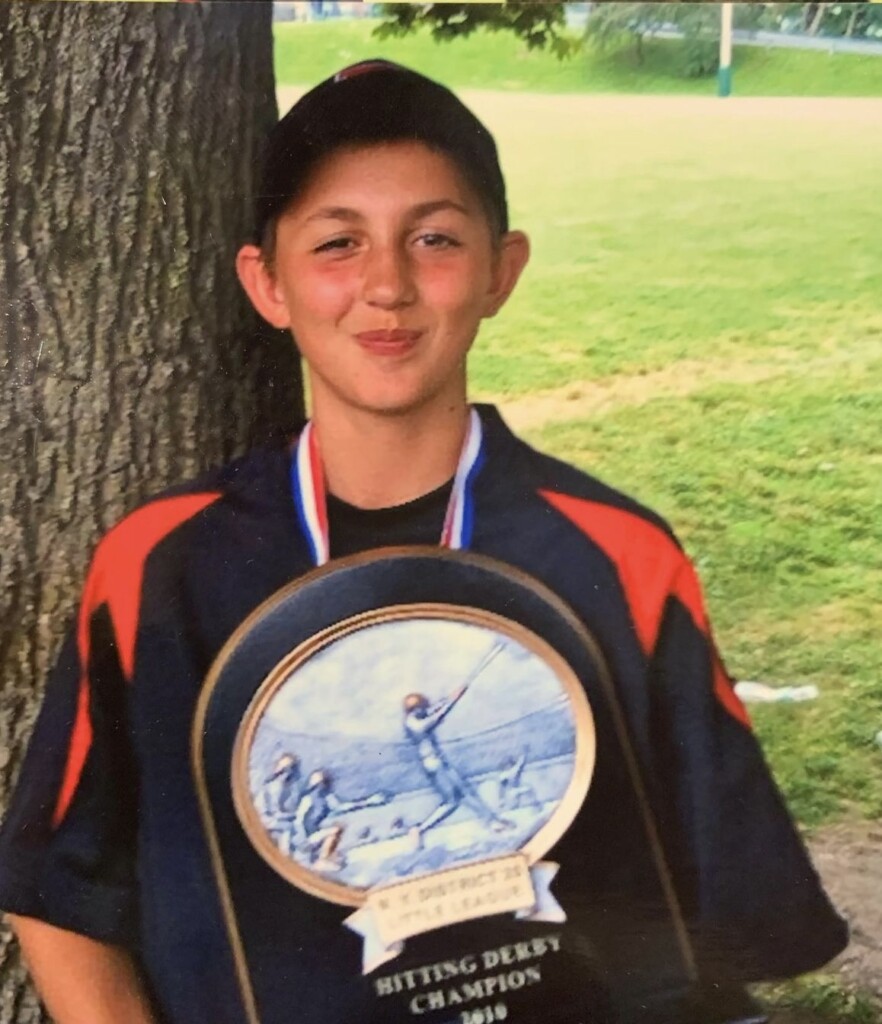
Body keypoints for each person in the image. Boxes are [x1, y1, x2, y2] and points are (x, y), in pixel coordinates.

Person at [0, 60, 847, 1024]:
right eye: (337, 243)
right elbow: (58, 894)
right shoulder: (162, 567)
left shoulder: (618, 556)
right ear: (267, 282)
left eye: (434, 238)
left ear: (502, 269)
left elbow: (725, 923)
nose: (387, 286)